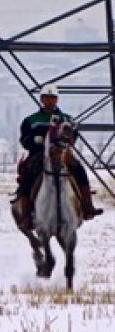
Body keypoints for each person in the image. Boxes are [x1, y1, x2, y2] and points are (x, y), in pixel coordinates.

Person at [15, 84, 103, 229]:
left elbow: (74, 136)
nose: (50, 101)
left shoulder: (67, 118)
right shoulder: (30, 120)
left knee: (80, 170)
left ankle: (87, 206)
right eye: (47, 98)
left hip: (62, 153)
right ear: (41, 99)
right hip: (38, 154)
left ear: (57, 100)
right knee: (28, 175)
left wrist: (64, 143)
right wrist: (36, 143)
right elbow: (24, 140)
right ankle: (26, 214)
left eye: (53, 98)